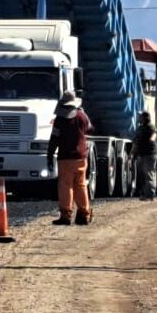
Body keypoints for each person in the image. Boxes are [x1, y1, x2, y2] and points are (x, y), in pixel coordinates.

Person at [47, 91, 94, 225]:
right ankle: (84, 214)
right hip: (81, 157)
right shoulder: (82, 116)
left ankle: (66, 216)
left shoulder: (60, 120)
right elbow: (90, 129)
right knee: (81, 185)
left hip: (66, 157)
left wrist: (50, 155)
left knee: (66, 185)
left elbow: (54, 139)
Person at [130, 111, 157, 200]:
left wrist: (133, 153)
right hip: (146, 153)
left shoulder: (147, 128)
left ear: (145, 118)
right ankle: (147, 193)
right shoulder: (147, 128)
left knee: (147, 174)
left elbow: (137, 142)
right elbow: (136, 141)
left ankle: (149, 194)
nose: (139, 119)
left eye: (141, 117)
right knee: (145, 174)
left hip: (147, 154)